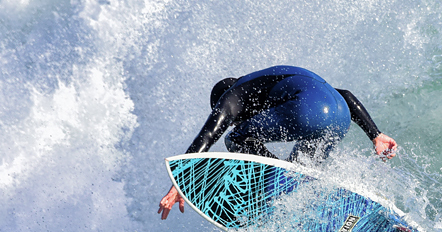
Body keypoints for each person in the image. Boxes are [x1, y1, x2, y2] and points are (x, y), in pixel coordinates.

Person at [158, 65, 397, 220]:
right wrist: (375, 134)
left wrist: (182, 180)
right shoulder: (263, 82)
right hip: (340, 116)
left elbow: (208, 136)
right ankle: (311, 201)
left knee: (237, 138)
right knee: (303, 172)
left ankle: (276, 184)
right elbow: (344, 94)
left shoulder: (231, 96)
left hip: (309, 110)